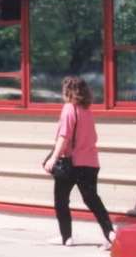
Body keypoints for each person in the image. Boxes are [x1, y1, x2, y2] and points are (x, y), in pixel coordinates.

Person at [42, 75, 115, 248]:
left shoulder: (69, 109)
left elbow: (64, 136)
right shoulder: (87, 111)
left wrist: (53, 158)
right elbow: (93, 137)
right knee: (92, 200)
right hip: (90, 163)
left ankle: (66, 237)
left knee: (61, 200)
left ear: (68, 91)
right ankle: (110, 234)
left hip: (70, 163)